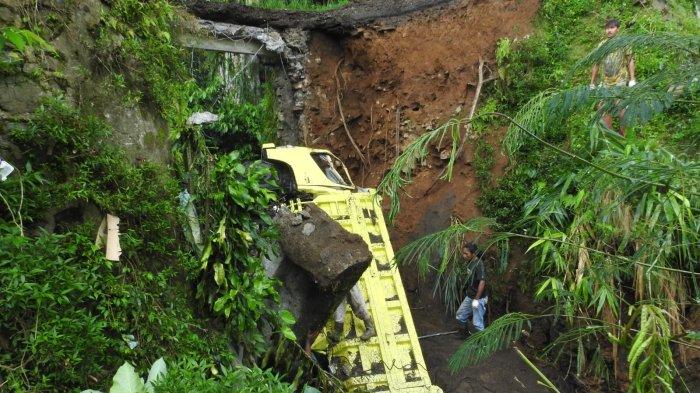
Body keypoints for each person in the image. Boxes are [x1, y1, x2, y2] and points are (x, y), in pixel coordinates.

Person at [590, 18, 636, 136]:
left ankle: (623, 137)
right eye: (607, 28)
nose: (609, 31)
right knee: (603, 110)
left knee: (622, 110)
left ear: (617, 29)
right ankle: (610, 138)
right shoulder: (602, 45)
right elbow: (596, 63)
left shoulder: (624, 42)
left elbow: (630, 60)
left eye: (612, 28)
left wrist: (632, 79)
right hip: (605, 83)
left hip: (620, 82)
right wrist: (592, 82)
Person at [455, 242, 488, 333]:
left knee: (477, 323)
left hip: (479, 298)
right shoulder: (469, 262)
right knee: (460, 315)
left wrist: (476, 300)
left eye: (466, 253)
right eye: (463, 253)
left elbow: (482, 282)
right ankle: (464, 333)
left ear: (473, 254)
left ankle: (482, 343)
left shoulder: (479, 264)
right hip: (470, 295)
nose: (464, 255)